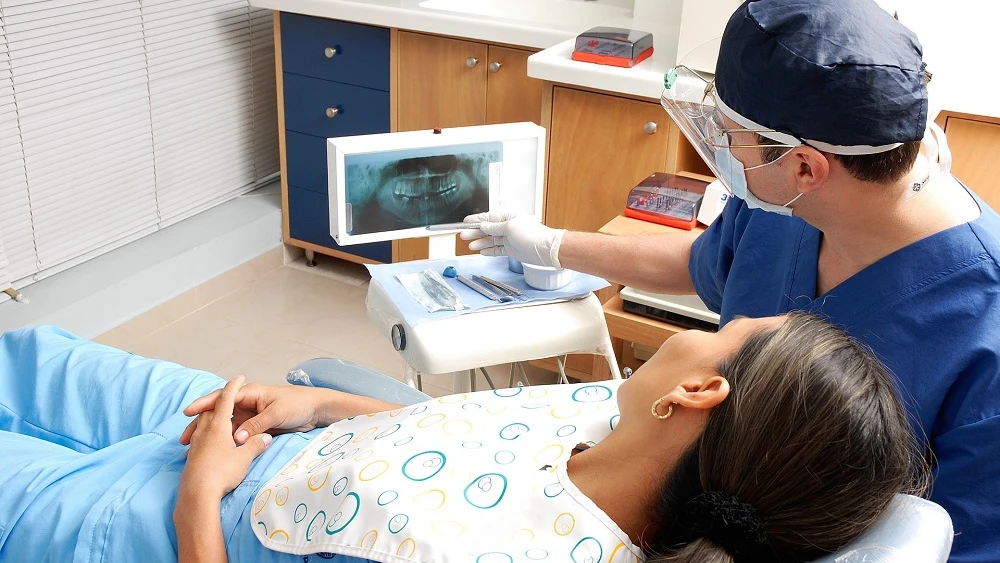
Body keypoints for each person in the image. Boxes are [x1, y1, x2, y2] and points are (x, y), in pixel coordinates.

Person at [461, 1, 1000, 560]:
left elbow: (953, 544)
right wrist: (554, 244)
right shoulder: (783, 204)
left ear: (806, 167)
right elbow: (705, 262)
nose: (718, 147)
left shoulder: (984, 325)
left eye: (728, 133)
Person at [0, 314, 924, 562]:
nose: (703, 327)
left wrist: (199, 494)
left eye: (725, 327)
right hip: (262, 432)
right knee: (37, 359)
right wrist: (310, 406)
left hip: (181, 523)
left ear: (699, 388)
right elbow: (453, 437)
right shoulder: (607, 420)